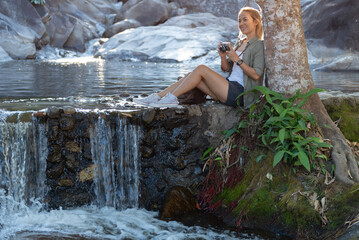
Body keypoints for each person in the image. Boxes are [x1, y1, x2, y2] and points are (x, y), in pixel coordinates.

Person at [135, 7, 265, 108]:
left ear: (256, 21)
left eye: (245, 19)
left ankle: (171, 98)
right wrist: (223, 57)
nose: (241, 23)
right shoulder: (240, 43)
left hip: (240, 93)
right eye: (239, 20)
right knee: (192, 75)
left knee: (201, 69)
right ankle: (157, 97)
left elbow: (256, 75)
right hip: (227, 87)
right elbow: (226, 69)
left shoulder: (258, 45)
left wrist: (237, 59)